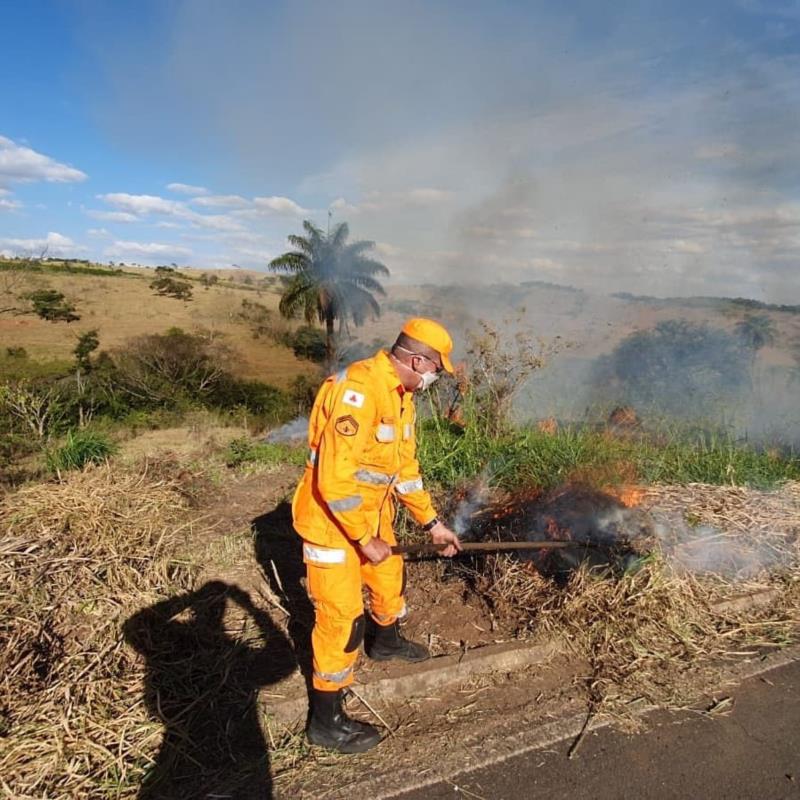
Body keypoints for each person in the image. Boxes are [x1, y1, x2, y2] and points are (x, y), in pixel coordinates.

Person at [291, 317, 462, 753]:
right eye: (436, 369)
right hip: (332, 524)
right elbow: (333, 481)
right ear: (417, 359)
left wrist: (432, 524)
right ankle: (326, 721)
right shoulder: (360, 389)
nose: (435, 378)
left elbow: (405, 471)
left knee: (390, 581)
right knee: (342, 619)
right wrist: (364, 538)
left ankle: (385, 644)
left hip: (373, 516)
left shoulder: (401, 397)